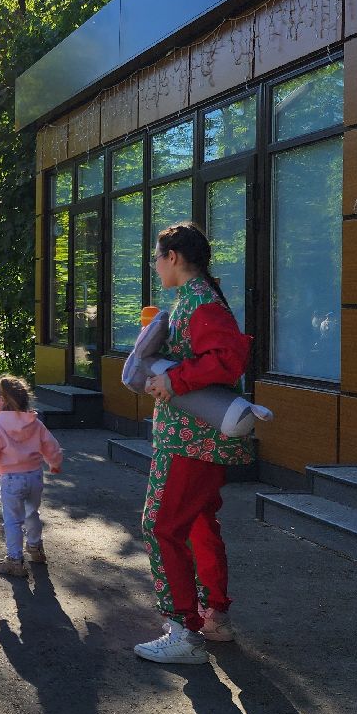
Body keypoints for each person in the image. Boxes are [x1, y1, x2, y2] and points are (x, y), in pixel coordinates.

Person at [134, 222, 253, 665]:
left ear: (174, 258)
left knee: (160, 525)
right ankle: (214, 616)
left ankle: (182, 629)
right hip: (195, 436)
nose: (154, 265)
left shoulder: (200, 302)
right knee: (199, 522)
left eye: (157, 256)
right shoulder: (196, 299)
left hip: (190, 440)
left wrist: (172, 377)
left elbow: (226, 359)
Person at [0, 375, 63, 577]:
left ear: (4, 401)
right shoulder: (34, 423)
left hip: (11, 480)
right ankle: (35, 548)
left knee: (13, 520)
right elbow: (51, 445)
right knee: (32, 512)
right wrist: (55, 462)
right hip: (34, 476)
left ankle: (15, 560)